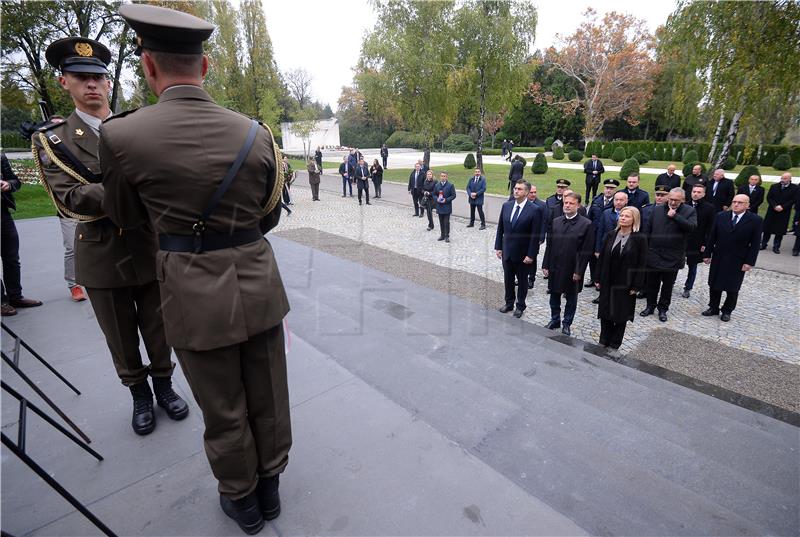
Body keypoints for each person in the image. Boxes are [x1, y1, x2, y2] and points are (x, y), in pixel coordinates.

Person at [100, 5, 291, 533]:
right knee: (269, 394)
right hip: (258, 280)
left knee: (222, 404)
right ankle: (271, 489)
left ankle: (243, 501)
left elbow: (122, 216)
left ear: (147, 66)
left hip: (190, 288)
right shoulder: (256, 133)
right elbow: (269, 214)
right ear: (204, 67)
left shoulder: (121, 136)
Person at [32, 36, 187, 435]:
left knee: (159, 327)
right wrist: (134, 191)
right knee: (120, 335)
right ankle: (139, 396)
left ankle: (164, 386)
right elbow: (71, 199)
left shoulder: (136, 127)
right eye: (80, 77)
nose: (92, 85)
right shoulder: (52, 140)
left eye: (98, 77)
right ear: (64, 82)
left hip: (149, 247)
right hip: (102, 254)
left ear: (107, 82)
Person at [702, 194, 762, 321]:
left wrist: (749, 262)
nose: (736, 204)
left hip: (738, 259)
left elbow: (755, 243)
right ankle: (713, 307)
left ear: (747, 205)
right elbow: (712, 236)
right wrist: (707, 254)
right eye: (734, 201)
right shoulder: (721, 216)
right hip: (719, 256)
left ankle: (727, 310)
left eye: (740, 202)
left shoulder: (755, 220)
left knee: (733, 287)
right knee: (714, 283)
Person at [640, 188, 697, 322]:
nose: (672, 202)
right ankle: (650, 306)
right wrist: (645, 250)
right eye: (670, 199)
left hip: (673, 256)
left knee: (667, 286)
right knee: (652, 283)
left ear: (682, 200)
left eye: (676, 200)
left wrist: (676, 216)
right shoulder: (657, 209)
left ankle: (663, 309)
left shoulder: (689, 211)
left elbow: (692, 227)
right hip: (654, 254)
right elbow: (648, 230)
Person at [542, 191, 594, 336]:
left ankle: (567, 323)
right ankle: (555, 319)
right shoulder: (556, 221)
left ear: (578, 205)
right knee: (554, 294)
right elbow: (549, 245)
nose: (568, 205)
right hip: (555, 266)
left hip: (573, 268)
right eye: (566, 202)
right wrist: (545, 264)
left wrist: (579, 271)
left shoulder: (586, 224)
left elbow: (586, 251)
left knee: (571, 297)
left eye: (571, 203)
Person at [595, 206, 647, 350]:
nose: (623, 218)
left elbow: (641, 264)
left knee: (620, 313)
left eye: (627, 216)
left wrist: (636, 285)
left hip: (626, 282)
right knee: (605, 311)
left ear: (634, 219)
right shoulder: (611, 234)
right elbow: (602, 258)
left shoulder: (639, 239)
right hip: (608, 279)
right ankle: (603, 339)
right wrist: (598, 277)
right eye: (622, 215)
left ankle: (615, 343)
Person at [1, 152, 43, 316]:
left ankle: (15, 297)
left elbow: (15, 182)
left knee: (12, 257)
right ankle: (1, 301)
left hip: (3, 213)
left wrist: (8, 185)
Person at [495, 180, 544, 318]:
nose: (516, 191)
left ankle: (520, 306)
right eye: (515, 188)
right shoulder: (507, 206)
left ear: (527, 192)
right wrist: (498, 246)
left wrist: (531, 255)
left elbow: (535, 236)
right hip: (507, 251)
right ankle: (509, 302)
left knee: (522, 281)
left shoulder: (535, 210)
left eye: (520, 189)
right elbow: (501, 228)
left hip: (523, 254)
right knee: (508, 279)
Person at [592, 191, 629, 302]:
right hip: (606, 248)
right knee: (605, 272)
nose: (618, 202)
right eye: (616, 200)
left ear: (626, 201)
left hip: (622, 249)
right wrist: (598, 249)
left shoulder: (630, 214)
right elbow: (600, 231)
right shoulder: (607, 213)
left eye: (621, 200)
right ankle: (602, 295)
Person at [681, 184, 715, 298]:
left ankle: (688, 287)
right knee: (675, 262)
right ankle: (671, 282)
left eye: (699, 192)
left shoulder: (709, 208)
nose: (695, 194)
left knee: (692, 265)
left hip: (697, 241)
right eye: (694, 191)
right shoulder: (684, 205)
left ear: (704, 194)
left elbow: (710, 228)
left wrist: (706, 244)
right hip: (682, 240)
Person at [586, 178, 620, 288]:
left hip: (608, 234)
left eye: (612, 188)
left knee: (605, 259)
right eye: (607, 188)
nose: (609, 190)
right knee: (592, 258)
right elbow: (590, 217)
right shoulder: (597, 199)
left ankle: (601, 280)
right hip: (595, 233)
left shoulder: (617, 202)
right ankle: (593, 278)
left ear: (615, 190)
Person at [760, 173, 797, 254]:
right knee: (767, 229)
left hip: (784, 212)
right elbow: (769, 197)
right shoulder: (774, 186)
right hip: (772, 210)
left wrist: (783, 207)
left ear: (790, 179)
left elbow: (793, 200)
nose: (782, 180)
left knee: (779, 230)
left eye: (785, 179)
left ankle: (776, 246)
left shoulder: (795, 188)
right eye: (782, 178)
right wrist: (775, 206)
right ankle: (763, 244)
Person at [525, 184, 548, 290]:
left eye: (535, 192)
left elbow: (544, 223)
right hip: (523, 237)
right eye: (531, 192)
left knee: (532, 258)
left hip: (535, 237)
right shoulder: (523, 203)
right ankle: (522, 277)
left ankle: (531, 279)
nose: (533, 194)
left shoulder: (542, 205)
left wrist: (541, 238)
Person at [434, 171, 456, 242]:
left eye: (444, 176)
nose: (443, 177)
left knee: (446, 222)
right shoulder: (437, 185)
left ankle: (447, 236)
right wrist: (436, 199)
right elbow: (434, 194)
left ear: (446, 177)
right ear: (440, 177)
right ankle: (442, 235)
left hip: (447, 207)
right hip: (439, 206)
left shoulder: (450, 185)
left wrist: (446, 200)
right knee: (441, 221)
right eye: (442, 176)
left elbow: (453, 195)